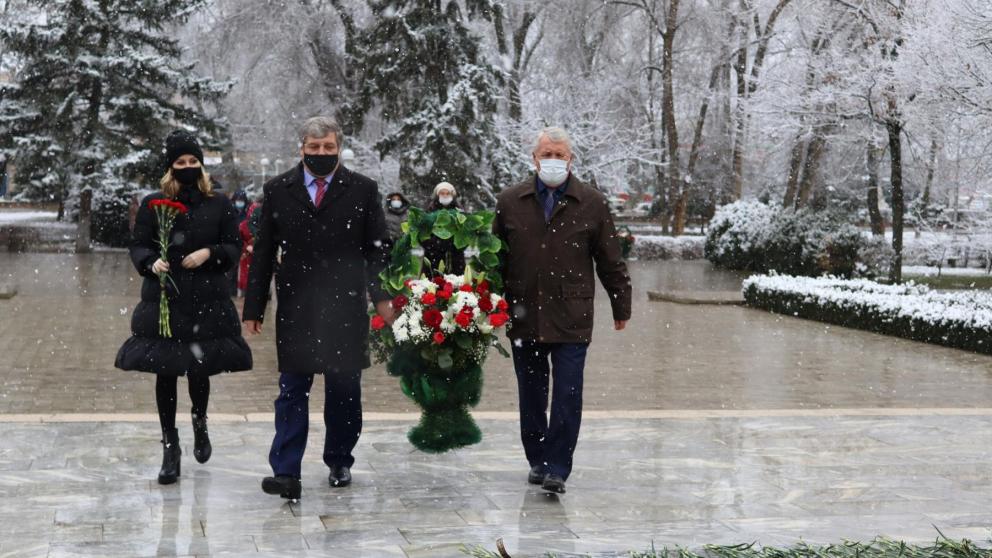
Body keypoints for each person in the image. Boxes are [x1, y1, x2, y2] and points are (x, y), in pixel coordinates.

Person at [242, 116, 395, 501]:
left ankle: (339, 459)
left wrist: (382, 298)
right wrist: (254, 306)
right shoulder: (279, 190)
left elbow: (377, 249)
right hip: (297, 305)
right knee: (292, 389)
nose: (322, 154)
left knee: (344, 389)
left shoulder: (362, 189)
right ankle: (286, 470)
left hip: (345, 306)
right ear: (302, 149)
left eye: (328, 147)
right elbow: (262, 252)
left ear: (338, 147)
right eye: (314, 148)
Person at [493, 126, 632, 494]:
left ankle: (558, 467)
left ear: (571, 159)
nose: (552, 161)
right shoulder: (510, 201)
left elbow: (610, 258)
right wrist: (486, 303)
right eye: (546, 154)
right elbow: (495, 258)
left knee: (568, 393)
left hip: (572, 314)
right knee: (532, 393)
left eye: (560, 155)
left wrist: (622, 303)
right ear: (534, 159)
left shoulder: (591, 202)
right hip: (525, 313)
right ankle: (537, 459)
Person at [115, 130, 253, 485]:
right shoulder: (153, 203)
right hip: (166, 299)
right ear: (170, 167)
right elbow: (138, 244)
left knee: (199, 369)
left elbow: (233, 246)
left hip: (207, 299)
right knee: (165, 371)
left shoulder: (218, 203)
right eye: (181, 162)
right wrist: (150, 262)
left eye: (193, 162)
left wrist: (210, 253)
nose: (188, 167)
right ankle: (170, 445)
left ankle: (199, 421)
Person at [421, 181, 466, 276]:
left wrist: (454, 245)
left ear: (452, 195)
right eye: (442, 193)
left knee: (455, 287)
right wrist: (435, 245)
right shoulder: (429, 212)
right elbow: (422, 235)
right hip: (433, 257)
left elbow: (466, 235)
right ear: (437, 195)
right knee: (432, 286)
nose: (445, 195)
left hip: (455, 258)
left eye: (448, 193)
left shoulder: (460, 212)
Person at [237, 197, 260, 298]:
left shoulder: (263, 225)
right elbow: (238, 240)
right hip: (246, 256)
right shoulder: (242, 225)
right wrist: (247, 247)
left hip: (259, 256)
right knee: (245, 279)